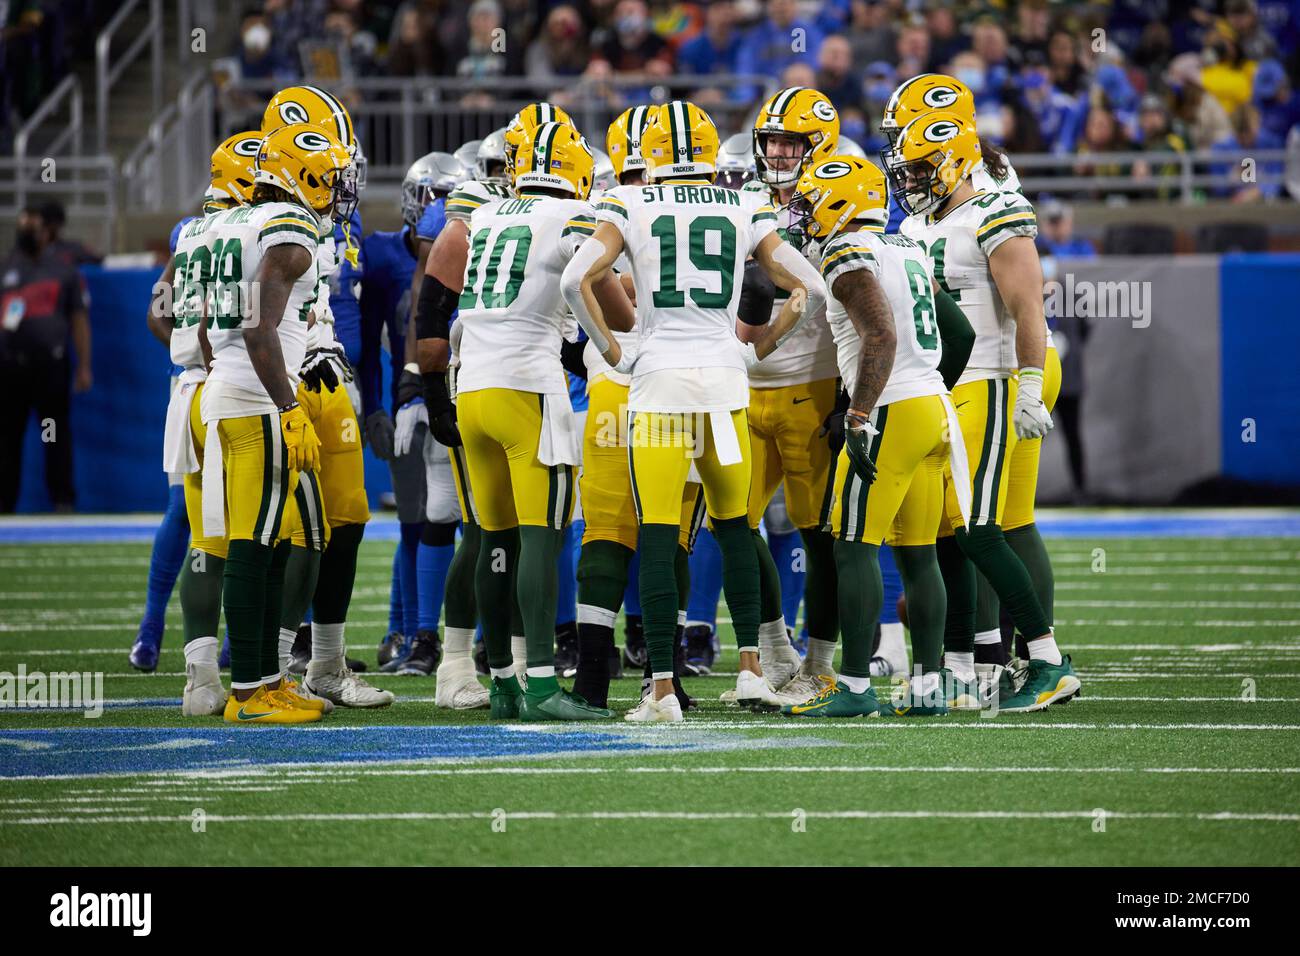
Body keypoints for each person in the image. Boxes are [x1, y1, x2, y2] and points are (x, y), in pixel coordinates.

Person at [563, 99, 828, 722]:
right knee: (736, 528)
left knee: (658, 532)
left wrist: (614, 350)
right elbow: (808, 289)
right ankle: (755, 671)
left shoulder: (628, 202)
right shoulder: (743, 203)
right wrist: (758, 348)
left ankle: (661, 689)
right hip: (725, 388)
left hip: (657, 385)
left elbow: (577, 279)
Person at [890, 111, 1080, 712]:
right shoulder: (921, 222)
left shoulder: (996, 211)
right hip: (946, 386)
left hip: (991, 380)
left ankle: (1046, 659)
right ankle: (979, 663)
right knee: (960, 526)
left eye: (923, 166)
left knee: (978, 526)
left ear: (954, 160)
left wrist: (1027, 386)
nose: (913, 179)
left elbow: (1028, 309)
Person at [781, 155, 974, 717]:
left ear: (837, 201)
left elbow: (881, 335)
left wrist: (859, 415)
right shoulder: (907, 247)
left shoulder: (845, 251)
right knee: (919, 555)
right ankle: (928, 686)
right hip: (933, 408)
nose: (805, 213)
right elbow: (958, 331)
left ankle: (856, 687)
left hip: (889, 408)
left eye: (812, 200)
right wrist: (931, 385)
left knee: (852, 546)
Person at [456, 121, 633, 722]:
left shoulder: (488, 213)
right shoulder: (572, 216)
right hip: (526, 386)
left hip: (472, 389)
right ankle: (537, 683)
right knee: (540, 538)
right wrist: (617, 335)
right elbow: (592, 283)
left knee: (493, 539)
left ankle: (502, 678)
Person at [195, 123, 354, 724]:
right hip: (258, 397)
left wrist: (227, 380)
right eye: (333, 175)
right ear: (302, 172)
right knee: (255, 544)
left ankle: (264, 679)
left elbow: (212, 328)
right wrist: (288, 406)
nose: (339, 187)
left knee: (262, 542)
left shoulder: (230, 220)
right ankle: (250, 695)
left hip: (233, 390)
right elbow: (259, 328)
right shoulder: (288, 226)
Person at [0, 206, 91, 513]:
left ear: (45, 233)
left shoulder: (62, 270)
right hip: (11, 368)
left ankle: (62, 501)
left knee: (55, 437)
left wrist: (84, 366)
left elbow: (79, 320)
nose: (28, 232)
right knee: (8, 440)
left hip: (51, 369)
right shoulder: (6, 268)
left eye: (33, 226)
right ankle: (5, 505)